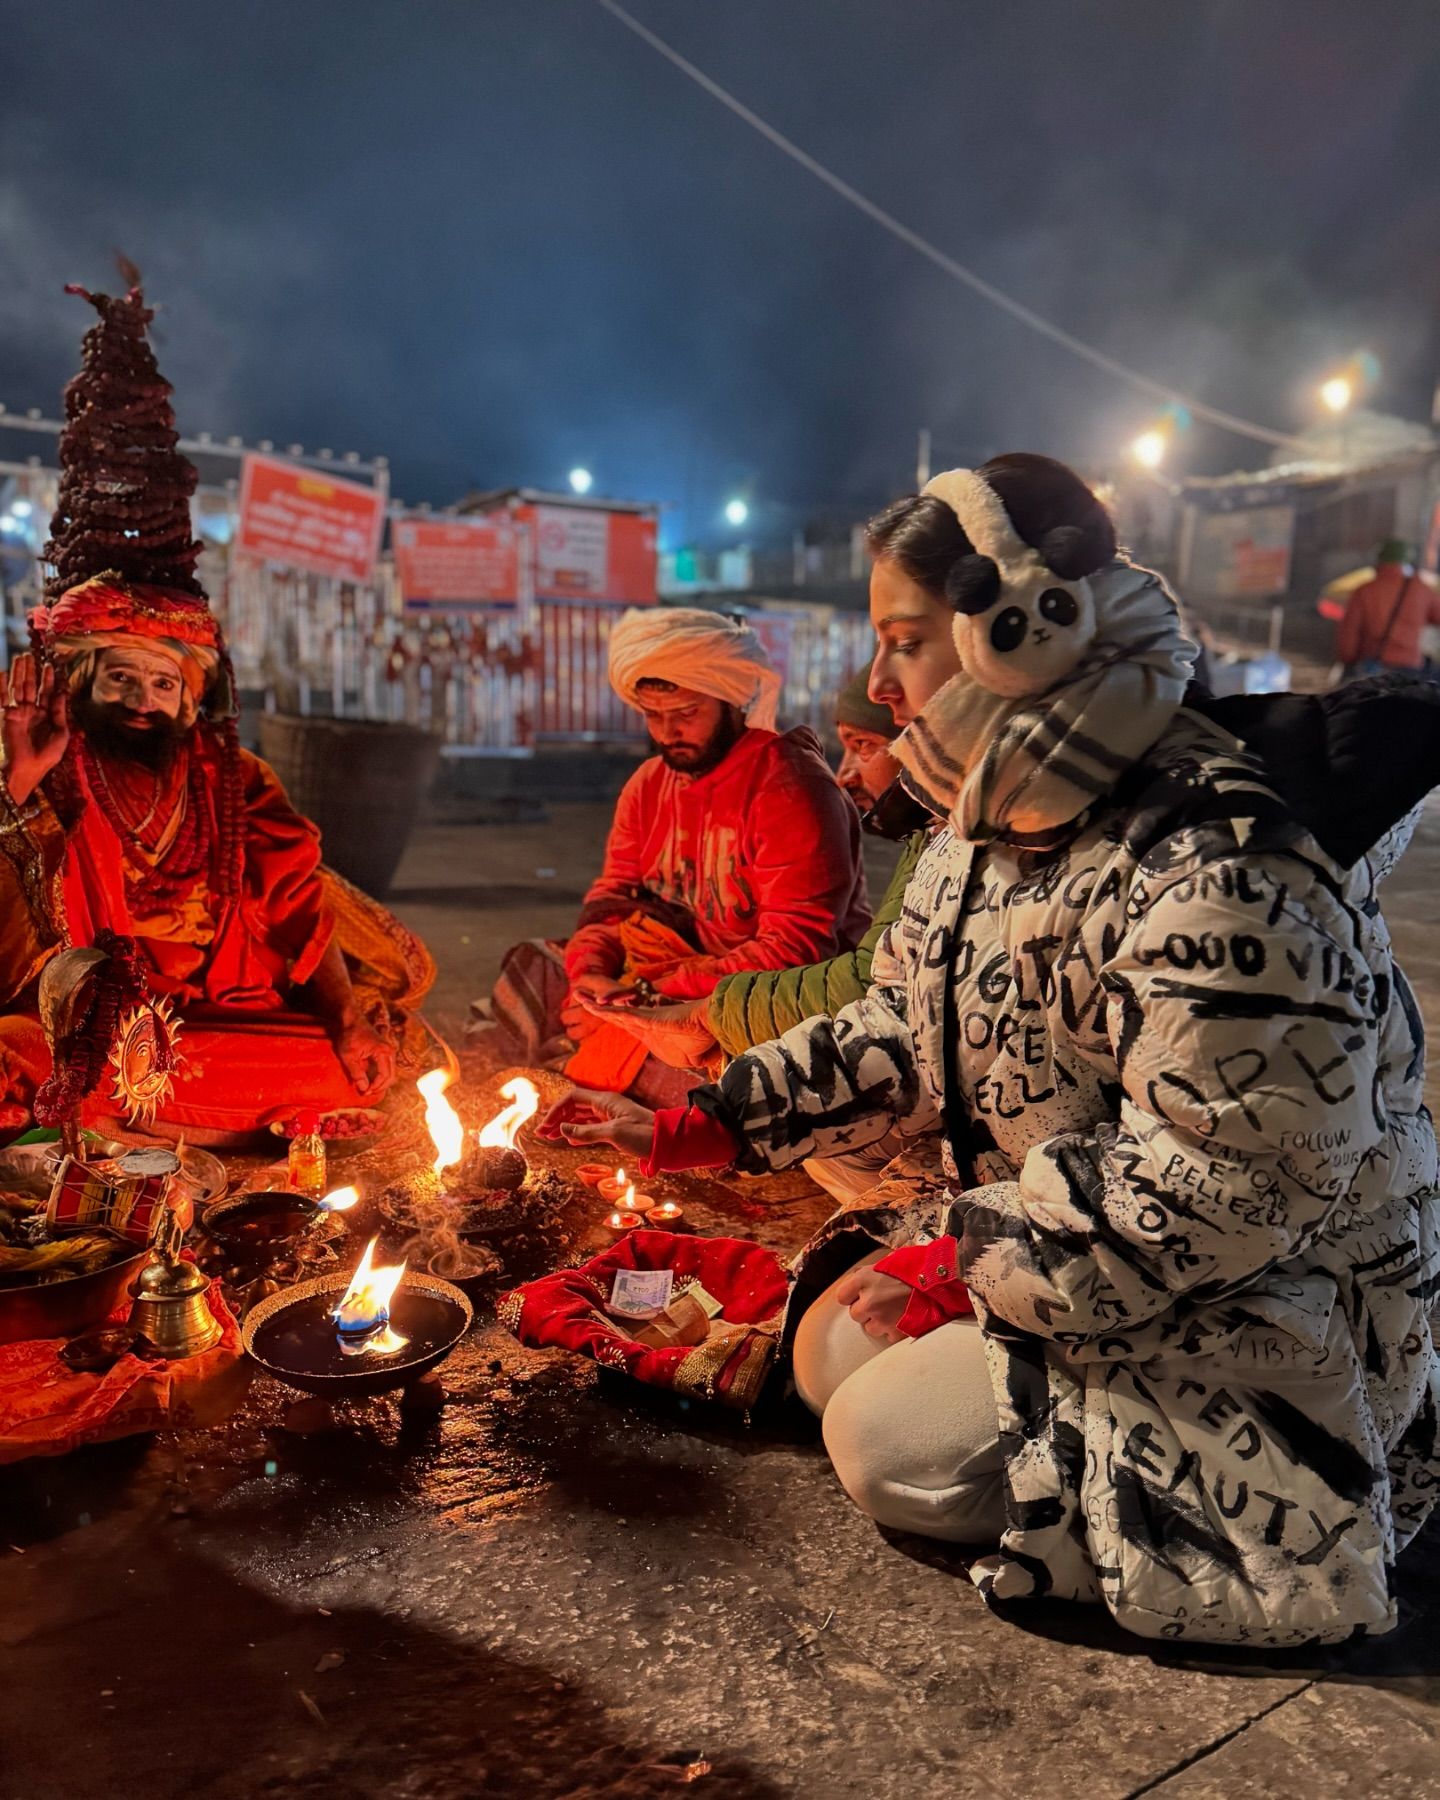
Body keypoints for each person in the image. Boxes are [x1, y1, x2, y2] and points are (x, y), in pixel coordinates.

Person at [546, 452, 1440, 1650]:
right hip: (1072, 1249)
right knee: (824, 1360)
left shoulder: (1222, 862)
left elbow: (1227, 1190)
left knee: (877, 1443)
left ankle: (1306, 1494)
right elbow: (904, 1028)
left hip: (1261, 1298)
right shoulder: (989, 822)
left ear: (1024, 629)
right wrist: (696, 1121)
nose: (878, 682)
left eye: (904, 642)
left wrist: (955, 1262)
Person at [0, 284, 434, 1144]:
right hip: (82, 1039)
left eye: (165, 686)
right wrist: (16, 786)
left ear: (192, 697)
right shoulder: (42, 766)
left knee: (397, 1058)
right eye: (121, 679)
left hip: (213, 1030)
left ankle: (160, 1126)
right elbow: (18, 968)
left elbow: (302, 915)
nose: (143, 702)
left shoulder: (231, 782)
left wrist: (346, 1018)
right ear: (81, 683)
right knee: (26, 1063)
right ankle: (177, 1124)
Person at [477, 607, 868, 1097]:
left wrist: (649, 999)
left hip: (754, 996)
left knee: (717, 1073)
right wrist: (593, 976)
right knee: (535, 968)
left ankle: (599, 1071)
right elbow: (613, 901)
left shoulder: (790, 788)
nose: (666, 734)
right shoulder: (647, 785)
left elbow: (795, 950)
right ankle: (552, 1077)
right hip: (656, 978)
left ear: (731, 701)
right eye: (653, 717)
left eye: (685, 715)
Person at [1335, 538, 1440, 676]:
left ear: (1378, 562)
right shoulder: (1421, 590)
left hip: (1372, 668)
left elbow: (1349, 633)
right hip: (1410, 667)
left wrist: (1349, 660)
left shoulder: (1364, 591)